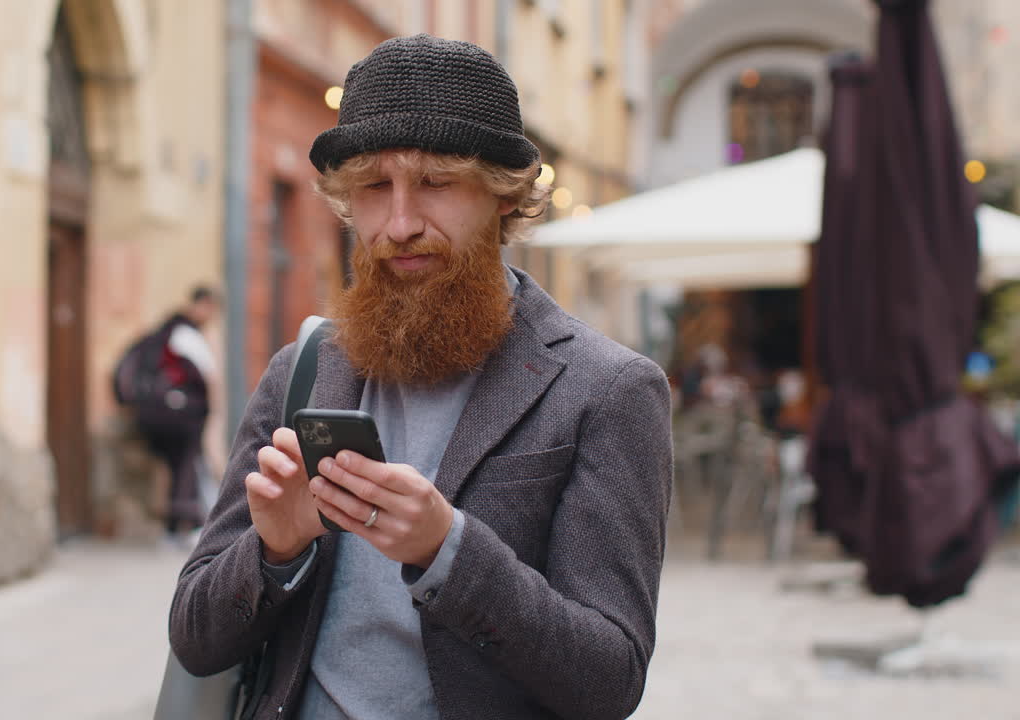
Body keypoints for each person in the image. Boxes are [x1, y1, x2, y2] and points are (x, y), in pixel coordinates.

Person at [169, 34, 672, 720]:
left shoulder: (608, 391)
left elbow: (609, 681)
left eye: (436, 183)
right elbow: (195, 640)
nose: (400, 223)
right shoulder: (303, 374)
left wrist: (450, 553)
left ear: (503, 196)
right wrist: (275, 550)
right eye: (374, 187)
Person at [117, 285, 219, 541]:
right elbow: (208, 375)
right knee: (187, 464)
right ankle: (189, 525)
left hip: (155, 411)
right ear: (203, 304)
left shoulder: (166, 331)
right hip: (181, 413)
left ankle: (173, 528)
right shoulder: (186, 335)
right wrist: (211, 412)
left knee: (175, 467)